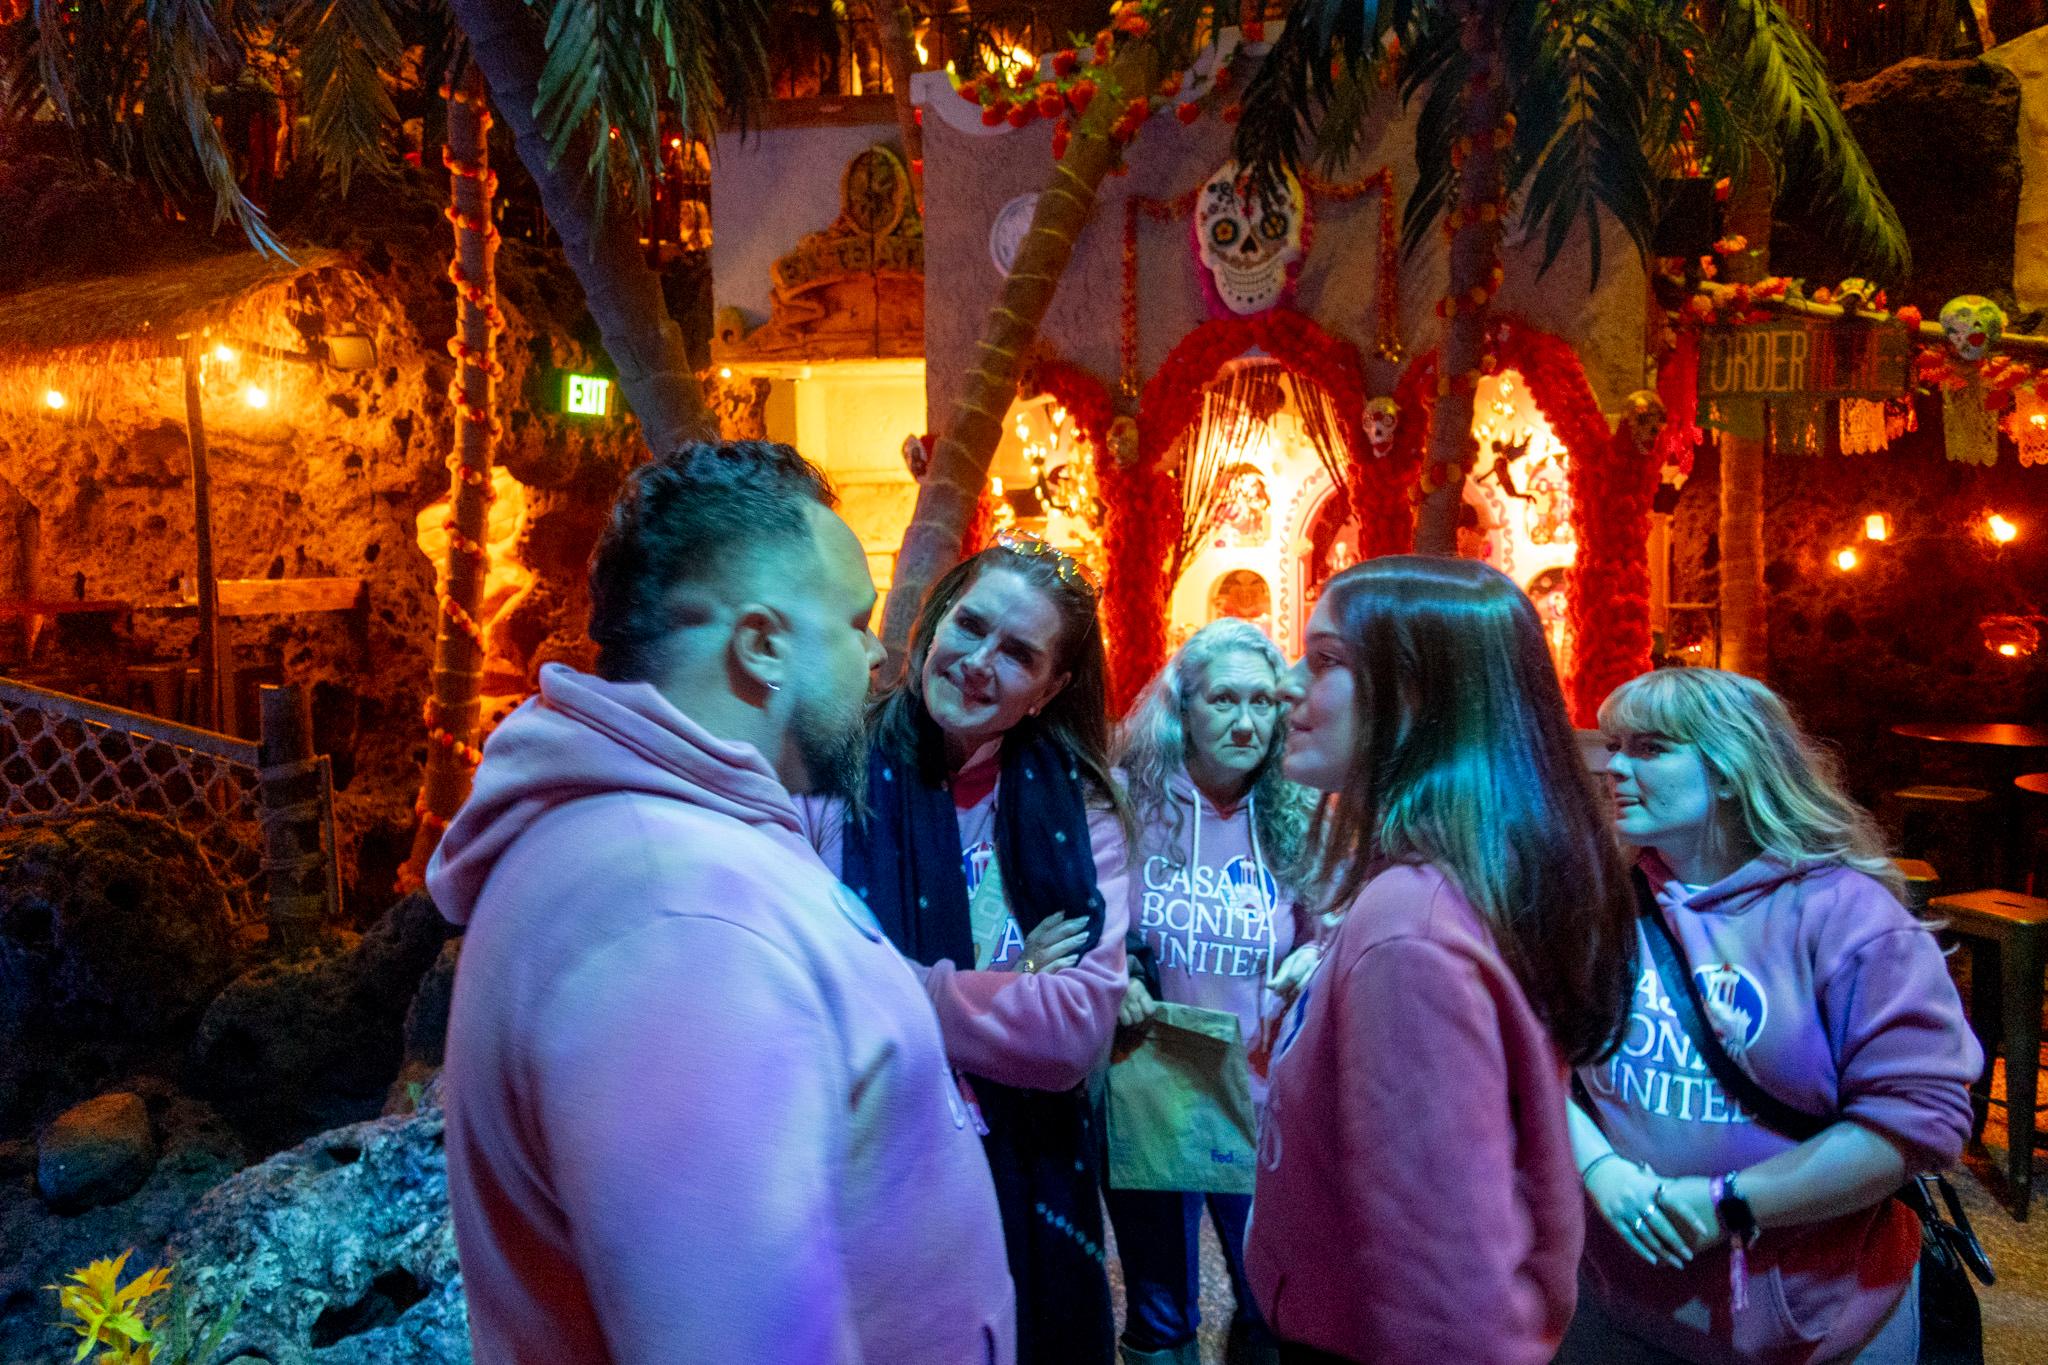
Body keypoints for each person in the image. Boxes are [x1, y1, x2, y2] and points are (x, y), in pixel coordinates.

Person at [427, 442, 1014, 1364]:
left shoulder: (679, 849)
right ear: (763, 645)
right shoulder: (675, 926)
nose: (877, 654)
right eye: (853, 623)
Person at [1247, 556, 1637, 1365]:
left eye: (1323, 662)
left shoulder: (1410, 928)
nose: (1288, 687)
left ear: (1417, 694)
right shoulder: (1461, 884)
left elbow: (1449, 1301)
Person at [1557, 667, 1981, 1365]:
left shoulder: (1847, 916)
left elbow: (1917, 1120)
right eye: (1615, 743)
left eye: (1651, 747)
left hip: (1815, 1312)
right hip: (1617, 1298)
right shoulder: (1598, 899)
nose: (1615, 765)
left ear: (1729, 770)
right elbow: (1539, 1055)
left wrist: (1727, 1203)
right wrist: (1601, 1168)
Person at [801, 530, 1131, 1365]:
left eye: (1018, 653)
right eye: (970, 624)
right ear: (935, 619)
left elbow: (1070, 1035)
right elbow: (802, 986)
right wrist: (1008, 983)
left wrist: (881, 979)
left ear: (1051, 688)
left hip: (1026, 1191)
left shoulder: (1085, 812)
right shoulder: (829, 775)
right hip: (862, 1181)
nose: (979, 660)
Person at [1106, 618, 1317, 1365]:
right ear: (1182, 709)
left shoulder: (1298, 813)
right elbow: (1089, 915)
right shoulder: (1127, 802)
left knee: (1272, 1300)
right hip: (1150, 1085)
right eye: (1224, 698)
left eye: (1263, 701)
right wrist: (1117, 971)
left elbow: (1337, 924)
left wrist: (1316, 953)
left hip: (1261, 1098)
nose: (1247, 719)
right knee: (1161, 1308)